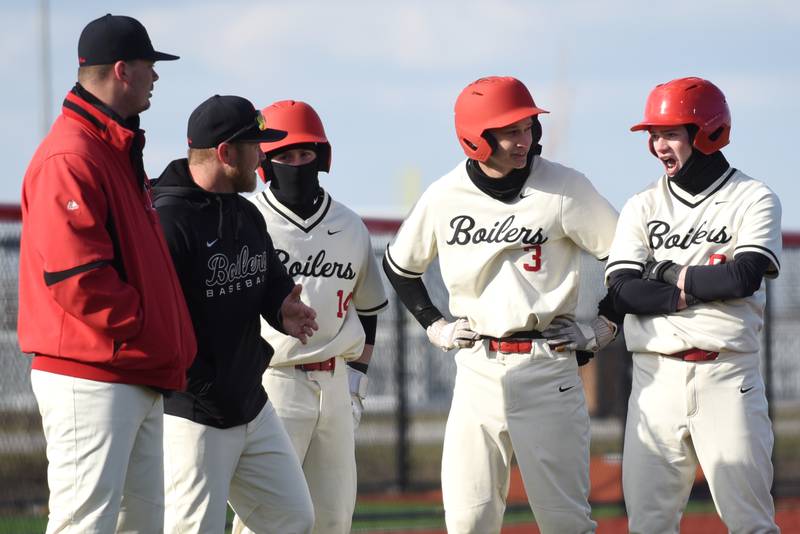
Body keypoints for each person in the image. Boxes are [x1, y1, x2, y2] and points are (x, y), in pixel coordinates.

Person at [382, 76, 619, 534]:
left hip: (548, 369)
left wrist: (603, 325)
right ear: (475, 138)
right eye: (509, 130)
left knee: (565, 522)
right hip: (477, 370)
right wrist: (434, 325)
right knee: (468, 521)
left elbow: (627, 256)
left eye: (528, 127)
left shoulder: (566, 188)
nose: (523, 140)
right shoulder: (445, 194)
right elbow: (400, 266)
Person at [17, 13, 195, 533]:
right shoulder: (71, 154)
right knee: (84, 524)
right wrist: (147, 327)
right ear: (122, 70)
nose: (155, 77)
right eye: (149, 66)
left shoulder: (110, 148)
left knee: (139, 524)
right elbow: (79, 280)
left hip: (126, 370)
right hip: (89, 373)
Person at [605, 76, 781, 533]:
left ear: (707, 133)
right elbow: (623, 290)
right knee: (647, 524)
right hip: (654, 379)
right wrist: (694, 288)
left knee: (751, 523)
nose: (658, 145)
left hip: (727, 376)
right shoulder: (641, 204)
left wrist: (663, 274)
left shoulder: (753, 197)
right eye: (653, 135)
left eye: (670, 133)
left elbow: (741, 278)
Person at [151, 95, 318, 533]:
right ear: (225, 153)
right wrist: (195, 386)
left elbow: (270, 283)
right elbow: (156, 325)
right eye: (255, 144)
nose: (263, 154)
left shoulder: (246, 212)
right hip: (192, 414)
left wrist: (284, 308)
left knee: (292, 518)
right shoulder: (168, 222)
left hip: (252, 404)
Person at [231, 100, 388, 534]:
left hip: (336, 384)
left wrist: (358, 380)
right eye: (284, 155)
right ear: (266, 162)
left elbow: (369, 308)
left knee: (335, 518)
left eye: (305, 154)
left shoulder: (350, 225)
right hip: (273, 380)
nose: (296, 163)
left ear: (322, 156)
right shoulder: (249, 220)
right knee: (263, 519)